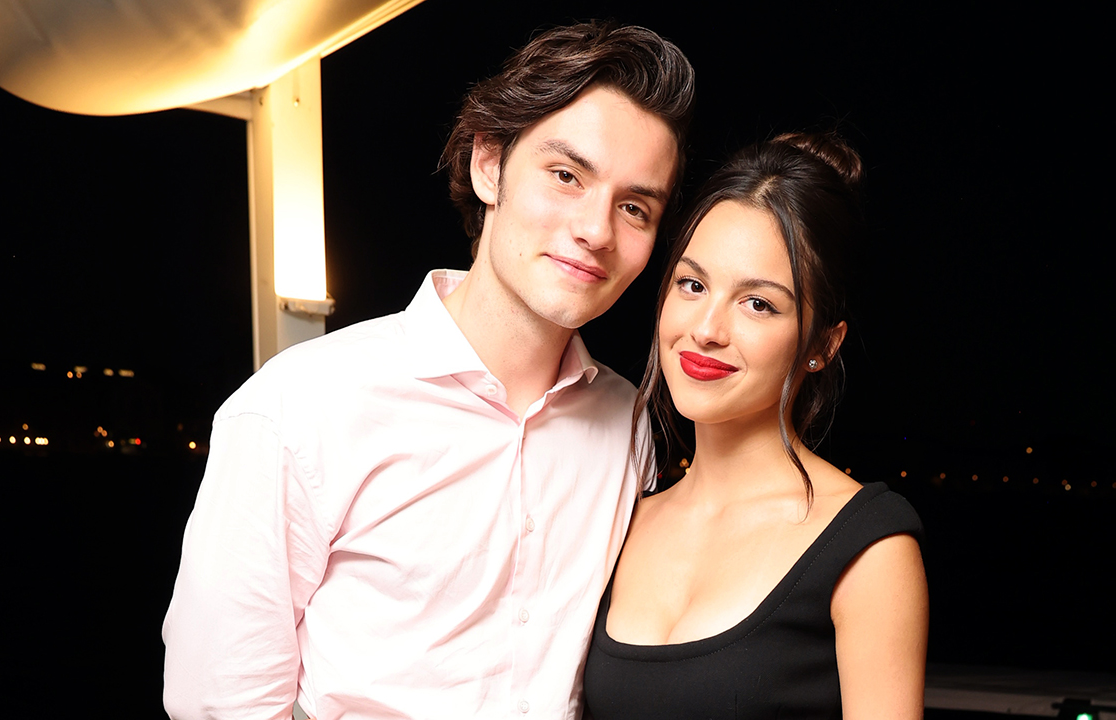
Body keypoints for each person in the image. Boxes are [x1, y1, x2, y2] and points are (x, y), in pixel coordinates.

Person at [162, 22, 695, 720]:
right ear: (489, 165)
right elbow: (220, 701)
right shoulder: (299, 406)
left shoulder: (629, 427)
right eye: (566, 176)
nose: (596, 230)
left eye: (634, 208)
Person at [582, 133, 929, 719]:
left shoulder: (868, 547)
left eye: (758, 303)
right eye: (693, 285)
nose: (706, 329)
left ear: (822, 345)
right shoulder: (620, 515)